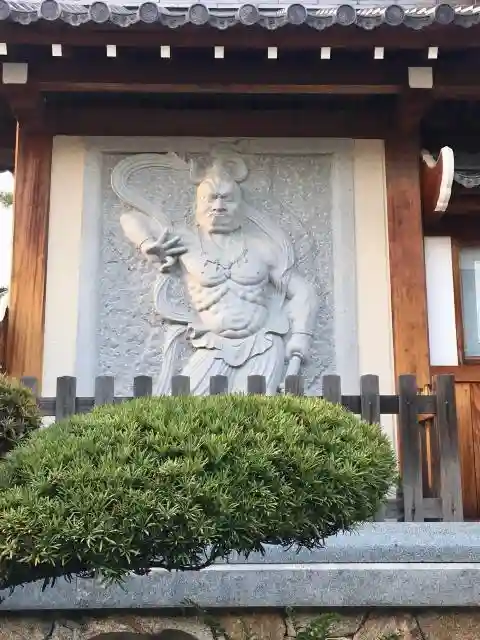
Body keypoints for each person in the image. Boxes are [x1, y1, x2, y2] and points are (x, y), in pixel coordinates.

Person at [120, 154, 318, 394]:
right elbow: (129, 218)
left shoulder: (262, 247)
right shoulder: (185, 241)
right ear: (198, 204)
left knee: (258, 415)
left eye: (227, 199)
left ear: (240, 205)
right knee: (189, 410)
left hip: (263, 344)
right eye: (211, 198)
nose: (218, 206)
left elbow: (303, 292)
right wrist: (147, 244)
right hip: (211, 344)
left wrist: (301, 337)